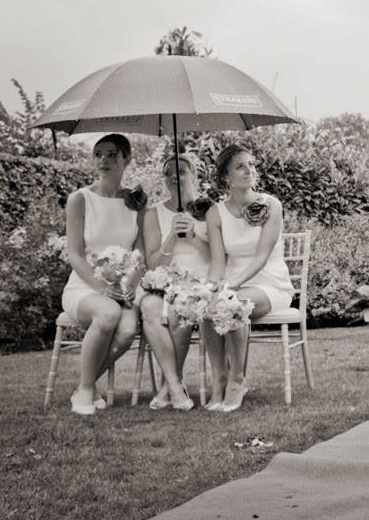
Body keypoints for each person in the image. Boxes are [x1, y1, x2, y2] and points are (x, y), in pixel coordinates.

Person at [60, 134, 146, 416]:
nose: (103, 160)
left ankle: (85, 383)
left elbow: (140, 251)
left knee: (127, 330)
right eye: (98, 154)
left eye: (112, 154)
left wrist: (131, 283)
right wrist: (100, 287)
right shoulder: (79, 199)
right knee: (108, 314)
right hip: (86, 286)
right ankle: (86, 390)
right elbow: (74, 253)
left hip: (124, 287)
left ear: (126, 160)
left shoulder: (136, 201)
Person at [204, 144, 294, 412]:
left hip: (269, 284)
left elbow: (262, 256)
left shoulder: (271, 205)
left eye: (251, 164)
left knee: (233, 304)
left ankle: (237, 379)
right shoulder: (214, 213)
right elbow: (218, 261)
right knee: (208, 307)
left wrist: (232, 285)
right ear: (226, 177)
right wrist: (211, 288)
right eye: (240, 166)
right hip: (234, 284)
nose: (249, 170)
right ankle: (218, 378)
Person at [139, 152, 210, 411]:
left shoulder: (209, 209)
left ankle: (168, 387)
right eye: (168, 172)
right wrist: (171, 235)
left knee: (181, 307)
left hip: (198, 282)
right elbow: (153, 263)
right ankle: (175, 384)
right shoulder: (152, 213)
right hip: (164, 280)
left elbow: (217, 256)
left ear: (194, 175)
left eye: (180, 171)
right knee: (149, 307)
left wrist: (191, 235)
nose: (173, 176)